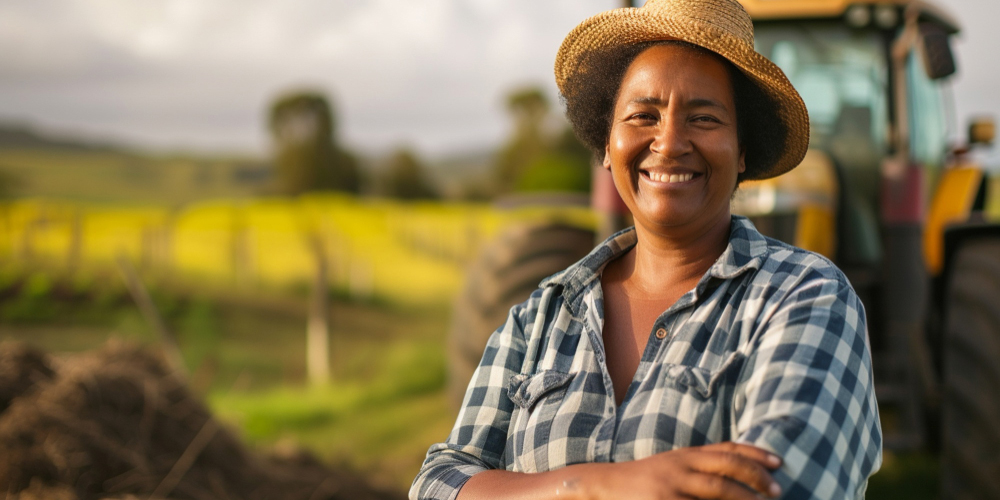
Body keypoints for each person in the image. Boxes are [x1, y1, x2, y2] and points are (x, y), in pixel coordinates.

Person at [411, 0, 882, 498]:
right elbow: (437, 481)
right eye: (642, 115)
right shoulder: (540, 318)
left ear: (742, 150)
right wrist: (588, 486)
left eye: (704, 118)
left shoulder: (805, 298)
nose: (670, 142)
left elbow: (776, 488)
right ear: (606, 142)